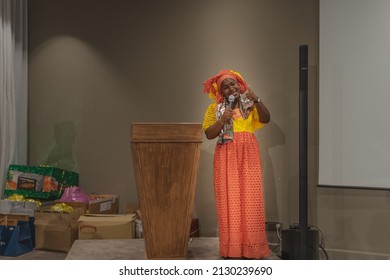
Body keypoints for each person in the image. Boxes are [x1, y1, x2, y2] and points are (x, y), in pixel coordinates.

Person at [202, 69, 271, 259]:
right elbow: (209, 134)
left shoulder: (249, 104)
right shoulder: (214, 109)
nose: (231, 88)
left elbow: (266, 118)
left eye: (233, 84)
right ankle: (232, 248)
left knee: (250, 198)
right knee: (229, 199)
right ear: (221, 92)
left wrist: (257, 99)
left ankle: (251, 247)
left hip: (248, 153)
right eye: (226, 86)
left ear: (239, 84)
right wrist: (223, 119)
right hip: (226, 153)